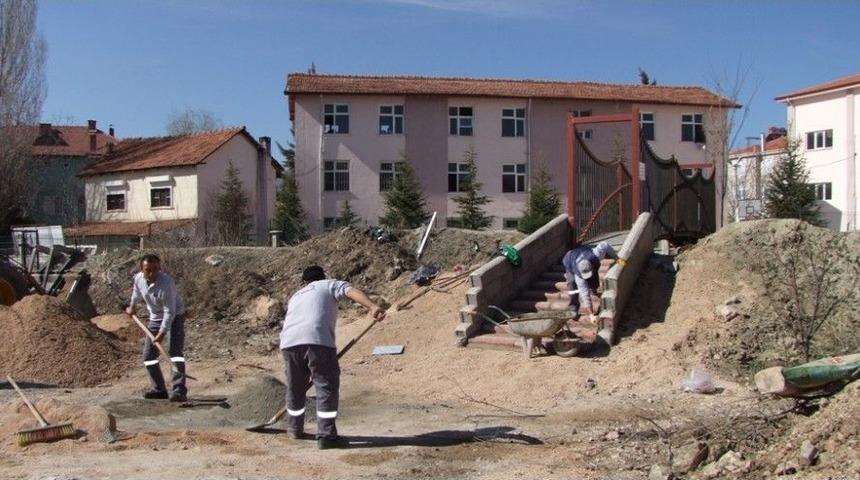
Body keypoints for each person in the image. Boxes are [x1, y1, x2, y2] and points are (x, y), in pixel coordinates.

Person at [279, 265, 386, 450]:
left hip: (289, 343)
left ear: (304, 281)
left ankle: (294, 429)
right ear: (322, 277)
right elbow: (350, 291)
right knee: (325, 387)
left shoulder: (297, 295)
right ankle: (327, 436)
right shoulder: (329, 284)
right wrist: (373, 306)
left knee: (295, 388)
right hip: (317, 341)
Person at [125, 253, 188, 402]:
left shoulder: (167, 284)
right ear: (142, 270)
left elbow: (169, 312)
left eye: (156, 269)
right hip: (155, 317)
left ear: (159, 268)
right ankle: (159, 389)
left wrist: (161, 333)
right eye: (148, 270)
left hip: (175, 316)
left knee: (175, 353)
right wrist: (132, 306)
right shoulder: (138, 278)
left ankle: (179, 391)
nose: (152, 273)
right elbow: (136, 292)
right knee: (149, 356)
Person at [561, 241, 617, 323]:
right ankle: (573, 309)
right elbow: (585, 295)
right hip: (569, 259)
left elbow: (605, 244)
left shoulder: (596, 254)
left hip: (582, 253)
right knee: (573, 285)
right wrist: (591, 315)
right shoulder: (578, 276)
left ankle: (594, 290)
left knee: (593, 279)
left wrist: (617, 258)